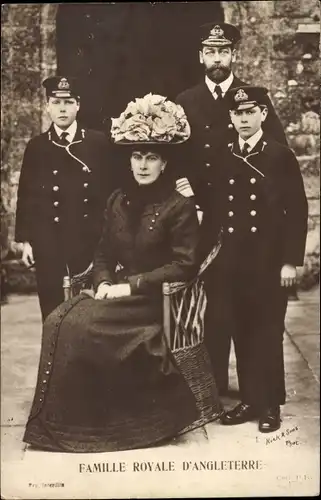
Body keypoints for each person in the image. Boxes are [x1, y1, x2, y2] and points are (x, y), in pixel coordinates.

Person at [22, 94, 203, 453]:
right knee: (59, 319)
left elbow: (185, 265)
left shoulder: (178, 205)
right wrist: (103, 280)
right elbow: (103, 251)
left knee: (83, 327)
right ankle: (69, 420)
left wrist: (129, 286)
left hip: (154, 298)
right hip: (115, 291)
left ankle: (115, 424)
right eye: (137, 156)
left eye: (151, 157)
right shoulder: (118, 200)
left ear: (164, 163)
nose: (143, 164)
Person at [176, 21, 288, 395]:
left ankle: (256, 390)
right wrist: (186, 188)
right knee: (216, 305)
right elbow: (175, 156)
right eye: (211, 53)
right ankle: (215, 385)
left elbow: (277, 156)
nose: (217, 59)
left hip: (243, 218)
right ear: (201, 57)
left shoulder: (253, 98)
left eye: (223, 52)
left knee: (249, 307)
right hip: (203, 218)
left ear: (234, 55)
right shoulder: (186, 101)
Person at [202, 86, 308, 432]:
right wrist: (204, 260)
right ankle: (249, 399)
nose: (244, 119)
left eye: (250, 112)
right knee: (239, 331)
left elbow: (296, 211)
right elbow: (215, 212)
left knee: (267, 331)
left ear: (263, 114)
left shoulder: (279, 156)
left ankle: (271, 405)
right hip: (230, 264)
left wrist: (290, 261)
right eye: (238, 114)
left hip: (268, 262)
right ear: (231, 118)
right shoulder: (223, 154)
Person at [15, 76, 113, 321]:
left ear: (78, 105)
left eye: (68, 102)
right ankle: (53, 359)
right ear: (47, 105)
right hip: (49, 242)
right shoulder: (36, 147)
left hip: (88, 241)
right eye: (56, 102)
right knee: (52, 310)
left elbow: (111, 192)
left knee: (88, 312)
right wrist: (26, 241)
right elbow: (26, 195)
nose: (62, 108)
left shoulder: (97, 142)